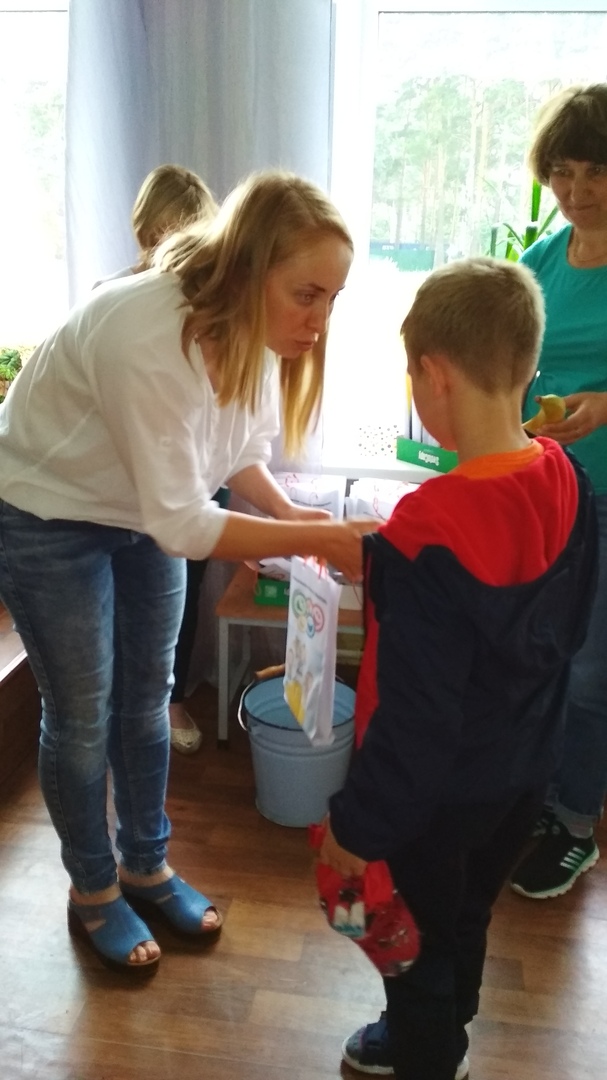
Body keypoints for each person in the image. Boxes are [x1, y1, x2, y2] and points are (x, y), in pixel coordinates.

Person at [0, 168, 374, 975]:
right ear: (249, 269)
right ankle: (93, 888)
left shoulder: (252, 333)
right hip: (46, 512)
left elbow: (235, 453)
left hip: (141, 511)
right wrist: (320, 540)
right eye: (307, 295)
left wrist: (294, 516)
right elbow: (183, 523)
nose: (319, 321)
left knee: (148, 698)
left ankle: (146, 864)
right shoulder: (146, 333)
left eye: (332, 299)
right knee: (83, 715)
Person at [318, 257, 598, 1080]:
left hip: (432, 801)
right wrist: (386, 562)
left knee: (415, 949)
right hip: (520, 777)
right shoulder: (567, 476)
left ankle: (428, 1053)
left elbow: (416, 720)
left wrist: (354, 828)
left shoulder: (423, 532)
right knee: (465, 917)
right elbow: (552, 623)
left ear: (432, 374)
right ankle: (450, 1029)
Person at [508, 84, 607, 900]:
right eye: (562, 172)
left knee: (589, 672)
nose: (576, 190)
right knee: (541, 660)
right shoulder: (540, 261)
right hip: (547, 498)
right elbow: (511, 366)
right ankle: (541, 802)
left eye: (596, 171)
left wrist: (604, 403)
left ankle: (575, 824)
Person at [96, 163, 221, 754]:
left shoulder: (208, 306)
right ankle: (121, 700)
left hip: (194, 469)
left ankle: (166, 698)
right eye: (159, 237)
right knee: (121, 601)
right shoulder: (111, 298)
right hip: (125, 486)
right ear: (144, 233)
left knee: (182, 593)